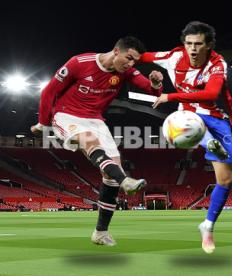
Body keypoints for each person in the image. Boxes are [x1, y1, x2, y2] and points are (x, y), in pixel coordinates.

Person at [31, 36, 163, 246]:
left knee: (110, 175)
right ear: (116, 51)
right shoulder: (79, 63)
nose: (130, 64)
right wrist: (42, 124)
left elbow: (150, 89)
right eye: (129, 58)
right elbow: (49, 91)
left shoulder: (126, 71)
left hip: (96, 120)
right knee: (89, 140)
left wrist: (156, 83)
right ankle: (125, 181)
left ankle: (100, 233)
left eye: (134, 62)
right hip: (67, 115)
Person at [141, 21, 232, 254]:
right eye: (189, 44)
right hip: (186, 116)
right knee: (186, 124)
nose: (193, 49)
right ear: (183, 44)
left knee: (226, 180)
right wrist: (150, 79)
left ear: (209, 45)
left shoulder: (217, 63)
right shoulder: (173, 57)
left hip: (216, 117)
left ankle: (207, 226)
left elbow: (212, 93)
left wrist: (168, 95)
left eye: (198, 44)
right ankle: (206, 141)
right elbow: (137, 56)